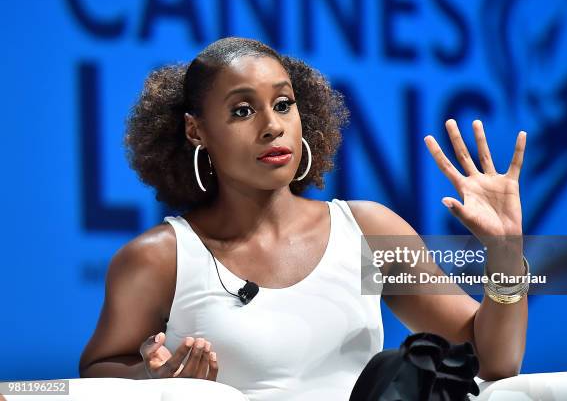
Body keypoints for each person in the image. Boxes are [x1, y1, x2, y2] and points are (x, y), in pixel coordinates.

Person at [79, 37, 528, 400]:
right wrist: (156, 383)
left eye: (283, 103)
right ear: (197, 131)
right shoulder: (159, 258)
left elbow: (493, 360)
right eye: (242, 110)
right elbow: (99, 369)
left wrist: (507, 255)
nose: (272, 125)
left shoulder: (370, 229)